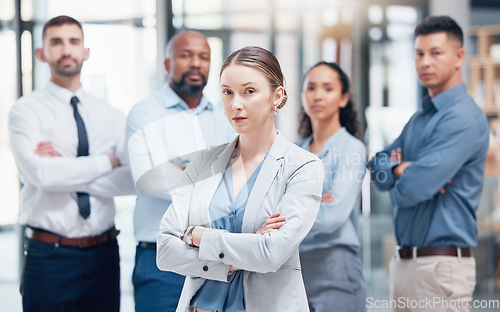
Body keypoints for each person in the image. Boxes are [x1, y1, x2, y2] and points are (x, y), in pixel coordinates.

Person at [156, 46, 324, 312]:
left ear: (276, 96)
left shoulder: (302, 167)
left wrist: (198, 235)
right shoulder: (202, 164)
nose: (236, 104)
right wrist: (239, 256)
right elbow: (165, 251)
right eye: (227, 92)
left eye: (249, 91)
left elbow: (271, 254)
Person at [8, 15, 134, 312]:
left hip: (104, 253)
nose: (66, 49)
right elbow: (41, 174)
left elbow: (130, 180)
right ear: (42, 53)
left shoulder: (112, 115)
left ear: (86, 51)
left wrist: (63, 168)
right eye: (56, 42)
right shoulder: (25, 112)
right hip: (49, 256)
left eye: (74, 41)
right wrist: (108, 161)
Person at [369, 16, 489, 311]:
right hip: (406, 263)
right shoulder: (420, 118)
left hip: (441, 268)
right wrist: (399, 168)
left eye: (436, 53)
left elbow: (412, 189)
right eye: (419, 53)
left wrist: (403, 182)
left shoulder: (462, 118)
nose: (425, 62)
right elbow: (377, 165)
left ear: (459, 56)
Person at [126, 30, 235, 312]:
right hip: (160, 259)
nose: (196, 63)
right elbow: (153, 181)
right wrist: (215, 173)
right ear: (166, 64)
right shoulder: (145, 113)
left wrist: (182, 167)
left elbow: (241, 178)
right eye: (186, 55)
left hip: (219, 255)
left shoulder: (227, 116)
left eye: (204, 57)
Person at [297, 62, 367, 312]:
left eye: (328, 88)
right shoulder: (293, 152)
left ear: (343, 98)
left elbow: (332, 218)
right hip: (293, 268)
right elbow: (269, 207)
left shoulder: (352, 148)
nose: (317, 95)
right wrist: (314, 202)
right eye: (311, 88)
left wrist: (292, 209)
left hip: (335, 267)